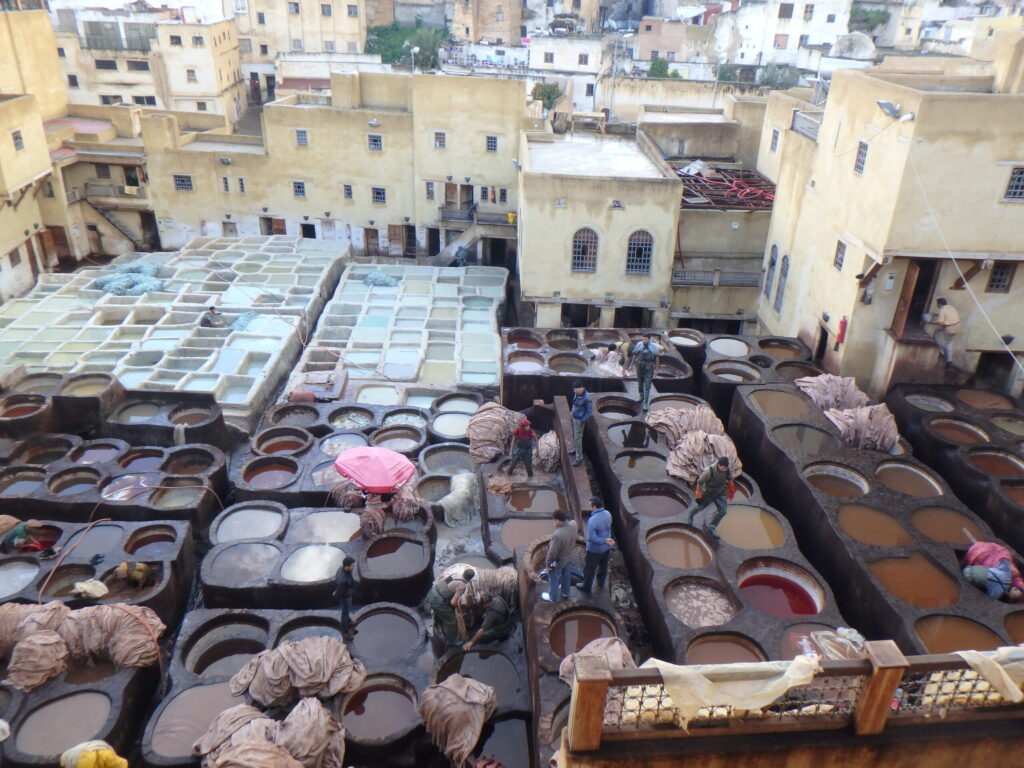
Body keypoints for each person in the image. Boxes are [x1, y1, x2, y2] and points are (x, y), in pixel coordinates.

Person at [685, 456, 735, 539]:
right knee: (700, 507)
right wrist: (698, 495)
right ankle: (691, 515)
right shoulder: (710, 471)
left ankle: (712, 526)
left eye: (726, 467)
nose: (725, 469)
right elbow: (699, 482)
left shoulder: (727, 469)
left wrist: (731, 492)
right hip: (708, 492)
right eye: (723, 467)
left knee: (723, 511)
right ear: (719, 465)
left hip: (720, 492)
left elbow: (730, 480)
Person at [427, 567, 475, 645]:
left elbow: (445, 584)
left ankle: (437, 624)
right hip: (438, 601)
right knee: (452, 621)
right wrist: (457, 607)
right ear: (470, 579)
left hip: (431, 593)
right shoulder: (462, 585)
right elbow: (453, 602)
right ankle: (451, 641)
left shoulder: (455, 574)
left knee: (439, 612)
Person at [580, 496, 615, 593]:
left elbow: (592, 538)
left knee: (589, 569)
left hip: (595, 550)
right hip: (607, 547)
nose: (590, 506)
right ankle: (601, 583)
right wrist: (607, 540)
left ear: (594, 506)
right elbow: (608, 528)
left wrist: (603, 540)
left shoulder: (592, 520)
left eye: (590, 505)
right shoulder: (608, 513)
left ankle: (586, 587)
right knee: (603, 566)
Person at [542, 509, 578, 602]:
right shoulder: (573, 524)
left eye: (554, 520)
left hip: (559, 560)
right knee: (566, 574)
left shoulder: (557, 535)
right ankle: (565, 592)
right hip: (570, 556)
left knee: (553, 578)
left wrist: (548, 565)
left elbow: (552, 553)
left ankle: (553, 598)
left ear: (557, 520)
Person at [630, 333, 660, 411]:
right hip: (640, 364)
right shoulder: (639, 344)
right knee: (640, 382)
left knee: (647, 385)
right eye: (643, 339)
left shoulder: (654, 346)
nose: (644, 341)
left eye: (646, 339)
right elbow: (635, 354)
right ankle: (641, 397)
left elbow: (657, 358)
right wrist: (631, 365)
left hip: (648, 366)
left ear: (649, 339)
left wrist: (656, 370)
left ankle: (645, 403)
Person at [569, 380, 592, 467]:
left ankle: (579, 458)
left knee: (578, 439)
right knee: (574, 436)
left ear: (581, 388)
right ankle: (575, 450)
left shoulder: (587, 398)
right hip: (574, 417)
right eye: (574, 389)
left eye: (576, 389)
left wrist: (582, 420)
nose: (574, 391)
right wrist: (572, 412)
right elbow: (575, 404)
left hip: (579, 420)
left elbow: (589, 412)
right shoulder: (578, 394)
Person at [931, 298, 960, 364]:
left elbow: (940, 323)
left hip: (950, 327)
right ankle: (948, 361)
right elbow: (949, 316)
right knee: (948, 343)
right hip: (957, 326)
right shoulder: (950, 307)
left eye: (937, 304)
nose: (937, 305)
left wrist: (932, 322)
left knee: (937, 335)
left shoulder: (942, 310)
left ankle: (940, 354)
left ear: (940, 304)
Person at [335, 556, 358, 639]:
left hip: (348, 594)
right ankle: (345, 632)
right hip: (345, 597)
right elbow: (340, 592)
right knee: (344, 613)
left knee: (347, 610)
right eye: (352, 565)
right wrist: (348, 594)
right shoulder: (342, 580)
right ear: (347, 566)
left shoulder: (342, 569)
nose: (354, 566)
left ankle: (349, 620)